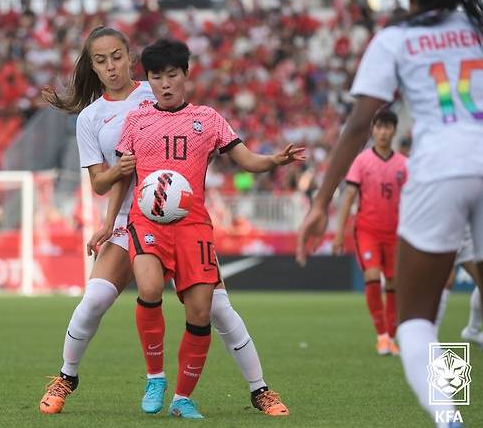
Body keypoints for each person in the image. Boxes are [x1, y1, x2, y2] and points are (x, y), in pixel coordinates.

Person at [39, 27, 289, 417]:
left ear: (129, 56)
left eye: (117, 56)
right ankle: (65, 377)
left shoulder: (153, 90)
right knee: (94, 302)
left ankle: (260, 390)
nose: (111, 67)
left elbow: (203, 138)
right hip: (129, 220)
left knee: (218, 307)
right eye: (101, 61)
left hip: (181, 221)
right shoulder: (91, 118)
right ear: (93, 66)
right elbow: (102, 182)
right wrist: (109, 217)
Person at [296, 0, 483, 426]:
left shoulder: (396, 37)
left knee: (418, 320)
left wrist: (321, 202)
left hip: (440, 176)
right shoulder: (475, 23)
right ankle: (469, 336)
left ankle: (448, 413)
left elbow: (358, 122)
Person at [101, 38, 305, 418]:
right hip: (146, 222)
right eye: (157, 76)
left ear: (185, 75)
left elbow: (245, 160)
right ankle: (155, 377)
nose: (165, 83)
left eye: (172, 75)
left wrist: (274, 160)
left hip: (193, 226)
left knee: (200, 312)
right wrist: (105, 223)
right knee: (147, 286)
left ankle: (181, 398)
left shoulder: (208, 119)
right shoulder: (136, 120)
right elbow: (121, 179)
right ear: (148, 80)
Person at [332, 108, 407, 356]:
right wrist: (340, 232)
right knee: (372, 277)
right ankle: (382, 336)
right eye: (379, 127)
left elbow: (412, 200)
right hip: (367, 231)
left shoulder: (404, 165)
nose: (383, 132)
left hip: (395, 234)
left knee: (394, 283)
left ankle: (391, 337)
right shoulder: (362, 161)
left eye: (387, 127)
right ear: (373, 129)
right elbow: (349, 196)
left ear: (394, 130)